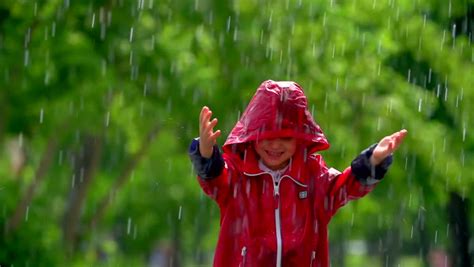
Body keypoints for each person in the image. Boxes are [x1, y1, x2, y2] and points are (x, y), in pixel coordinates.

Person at [189, 80, 407, 267]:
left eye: (285, 137)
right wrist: (205, 153)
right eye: (267, 136)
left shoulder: (313, 176)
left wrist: (373, 161)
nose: (275, 145)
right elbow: (214, 179)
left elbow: (345, 186)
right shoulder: (237, 175)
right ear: (252, 136)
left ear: (300, 139)